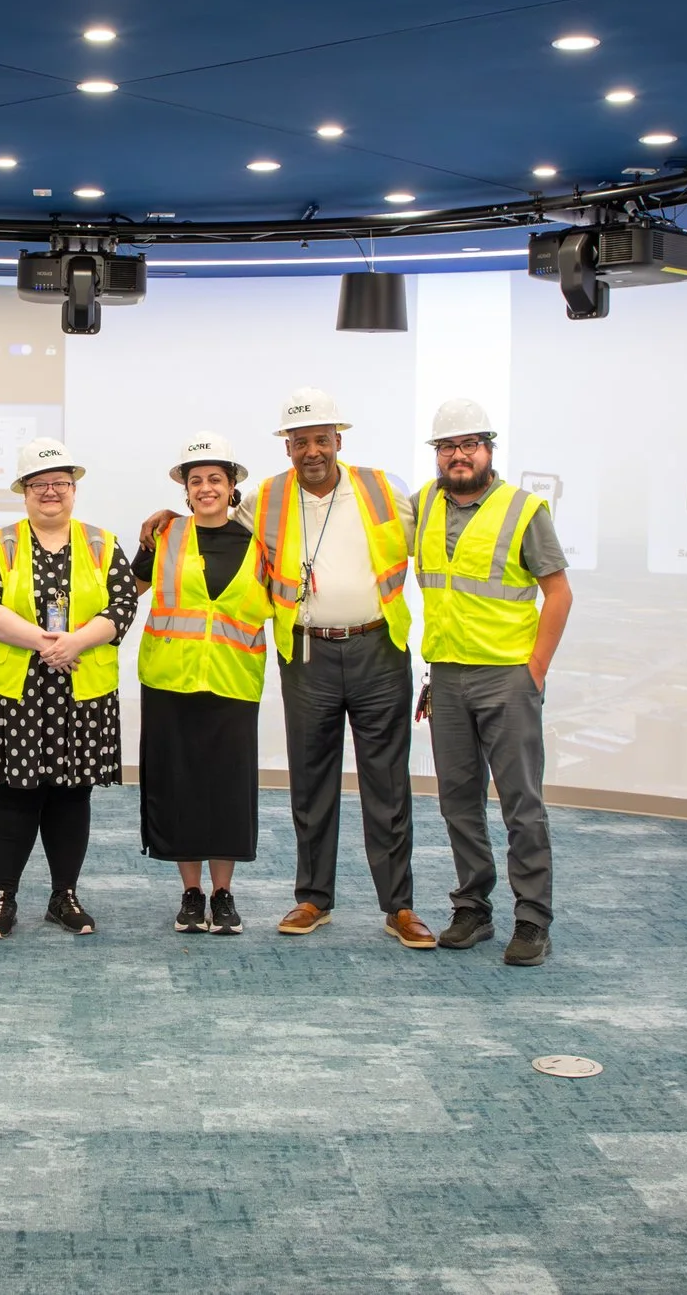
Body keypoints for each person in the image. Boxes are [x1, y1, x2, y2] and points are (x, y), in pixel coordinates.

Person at [242, 387, 435, 950]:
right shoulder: (266, 498)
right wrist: (166, 517)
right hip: (307, 654)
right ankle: (313, 899)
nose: (311, 451)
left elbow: (434, 533)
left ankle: (399, 906)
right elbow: (217, 524)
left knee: (388, 784)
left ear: (338, 441)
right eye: (300, 441)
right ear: (287, 448)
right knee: (311, 781)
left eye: (321, 440)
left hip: (378, 649)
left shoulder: (382, 488)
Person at [413, 399, 574, 967]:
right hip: (449, 677)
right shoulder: (424, 505)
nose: (458, 455)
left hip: (507, 678)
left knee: (521, 804)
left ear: (488, 449)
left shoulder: (524, 510)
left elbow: (559, 593)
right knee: (458, 801)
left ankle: (532, 919)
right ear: (437, 454)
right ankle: (473, 908)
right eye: (447, 447)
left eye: (469, 444)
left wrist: (534, 672)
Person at [0, 437, 136, 940]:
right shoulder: (1, 542)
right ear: (23, 491)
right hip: (17, 692)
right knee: (13, 796)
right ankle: (4, 898)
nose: (50, 492)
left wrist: (74, 642)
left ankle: (64, 897)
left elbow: (121, 606)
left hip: (81, 690)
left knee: (71, 795)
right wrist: (45, 643)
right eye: (39, 484)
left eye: (60, 483)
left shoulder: (101, 542)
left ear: (74, 489)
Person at [133, 432, 269, 935]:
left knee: (227, 791)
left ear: (232, 487)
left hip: (233, 683)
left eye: (216, 479)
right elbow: (125, 594)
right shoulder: (164, 537)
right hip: (170, 682)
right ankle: (191, 894)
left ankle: (224, 893)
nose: (206, 487)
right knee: (179, 788)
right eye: (196, 481)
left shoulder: (259, 543)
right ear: (185, 491)